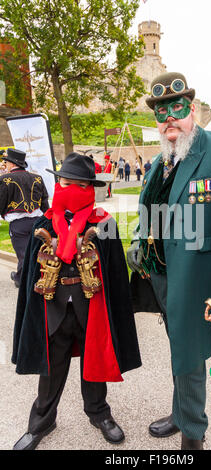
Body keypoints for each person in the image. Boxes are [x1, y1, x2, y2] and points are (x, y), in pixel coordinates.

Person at [127, 72, 211, 450]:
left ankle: (192, 436)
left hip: (199, 278)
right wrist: (140, 237)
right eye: (161, 112)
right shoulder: (159, 163)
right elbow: (150, 211)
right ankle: (182, 409)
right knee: (179, 350)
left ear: (193, 110)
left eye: (177, 108)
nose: (169, 118)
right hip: (163, 276)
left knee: (187, 354)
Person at [12, 152, 141, 450]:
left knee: (94, 362)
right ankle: (41, 422)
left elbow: (114, 272)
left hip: (91, 307)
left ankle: (99, 413)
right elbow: (31, 272)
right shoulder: (43, 223)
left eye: (77, 184)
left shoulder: (103, 223)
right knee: (51, 368)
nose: (68, 188)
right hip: (53, 307)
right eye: (64, 182)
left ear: (89, 188)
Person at [0, 148, 49, 287]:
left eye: (6, 162)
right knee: (36, 251)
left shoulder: (4, 179)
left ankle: (21, 280)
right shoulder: (37, 178)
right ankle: (26, 276)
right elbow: (44, 202)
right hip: (38, 221)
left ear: (11, 163)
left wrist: (3, 213)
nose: (5, 165)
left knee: (23, 254)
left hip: (18, 224)